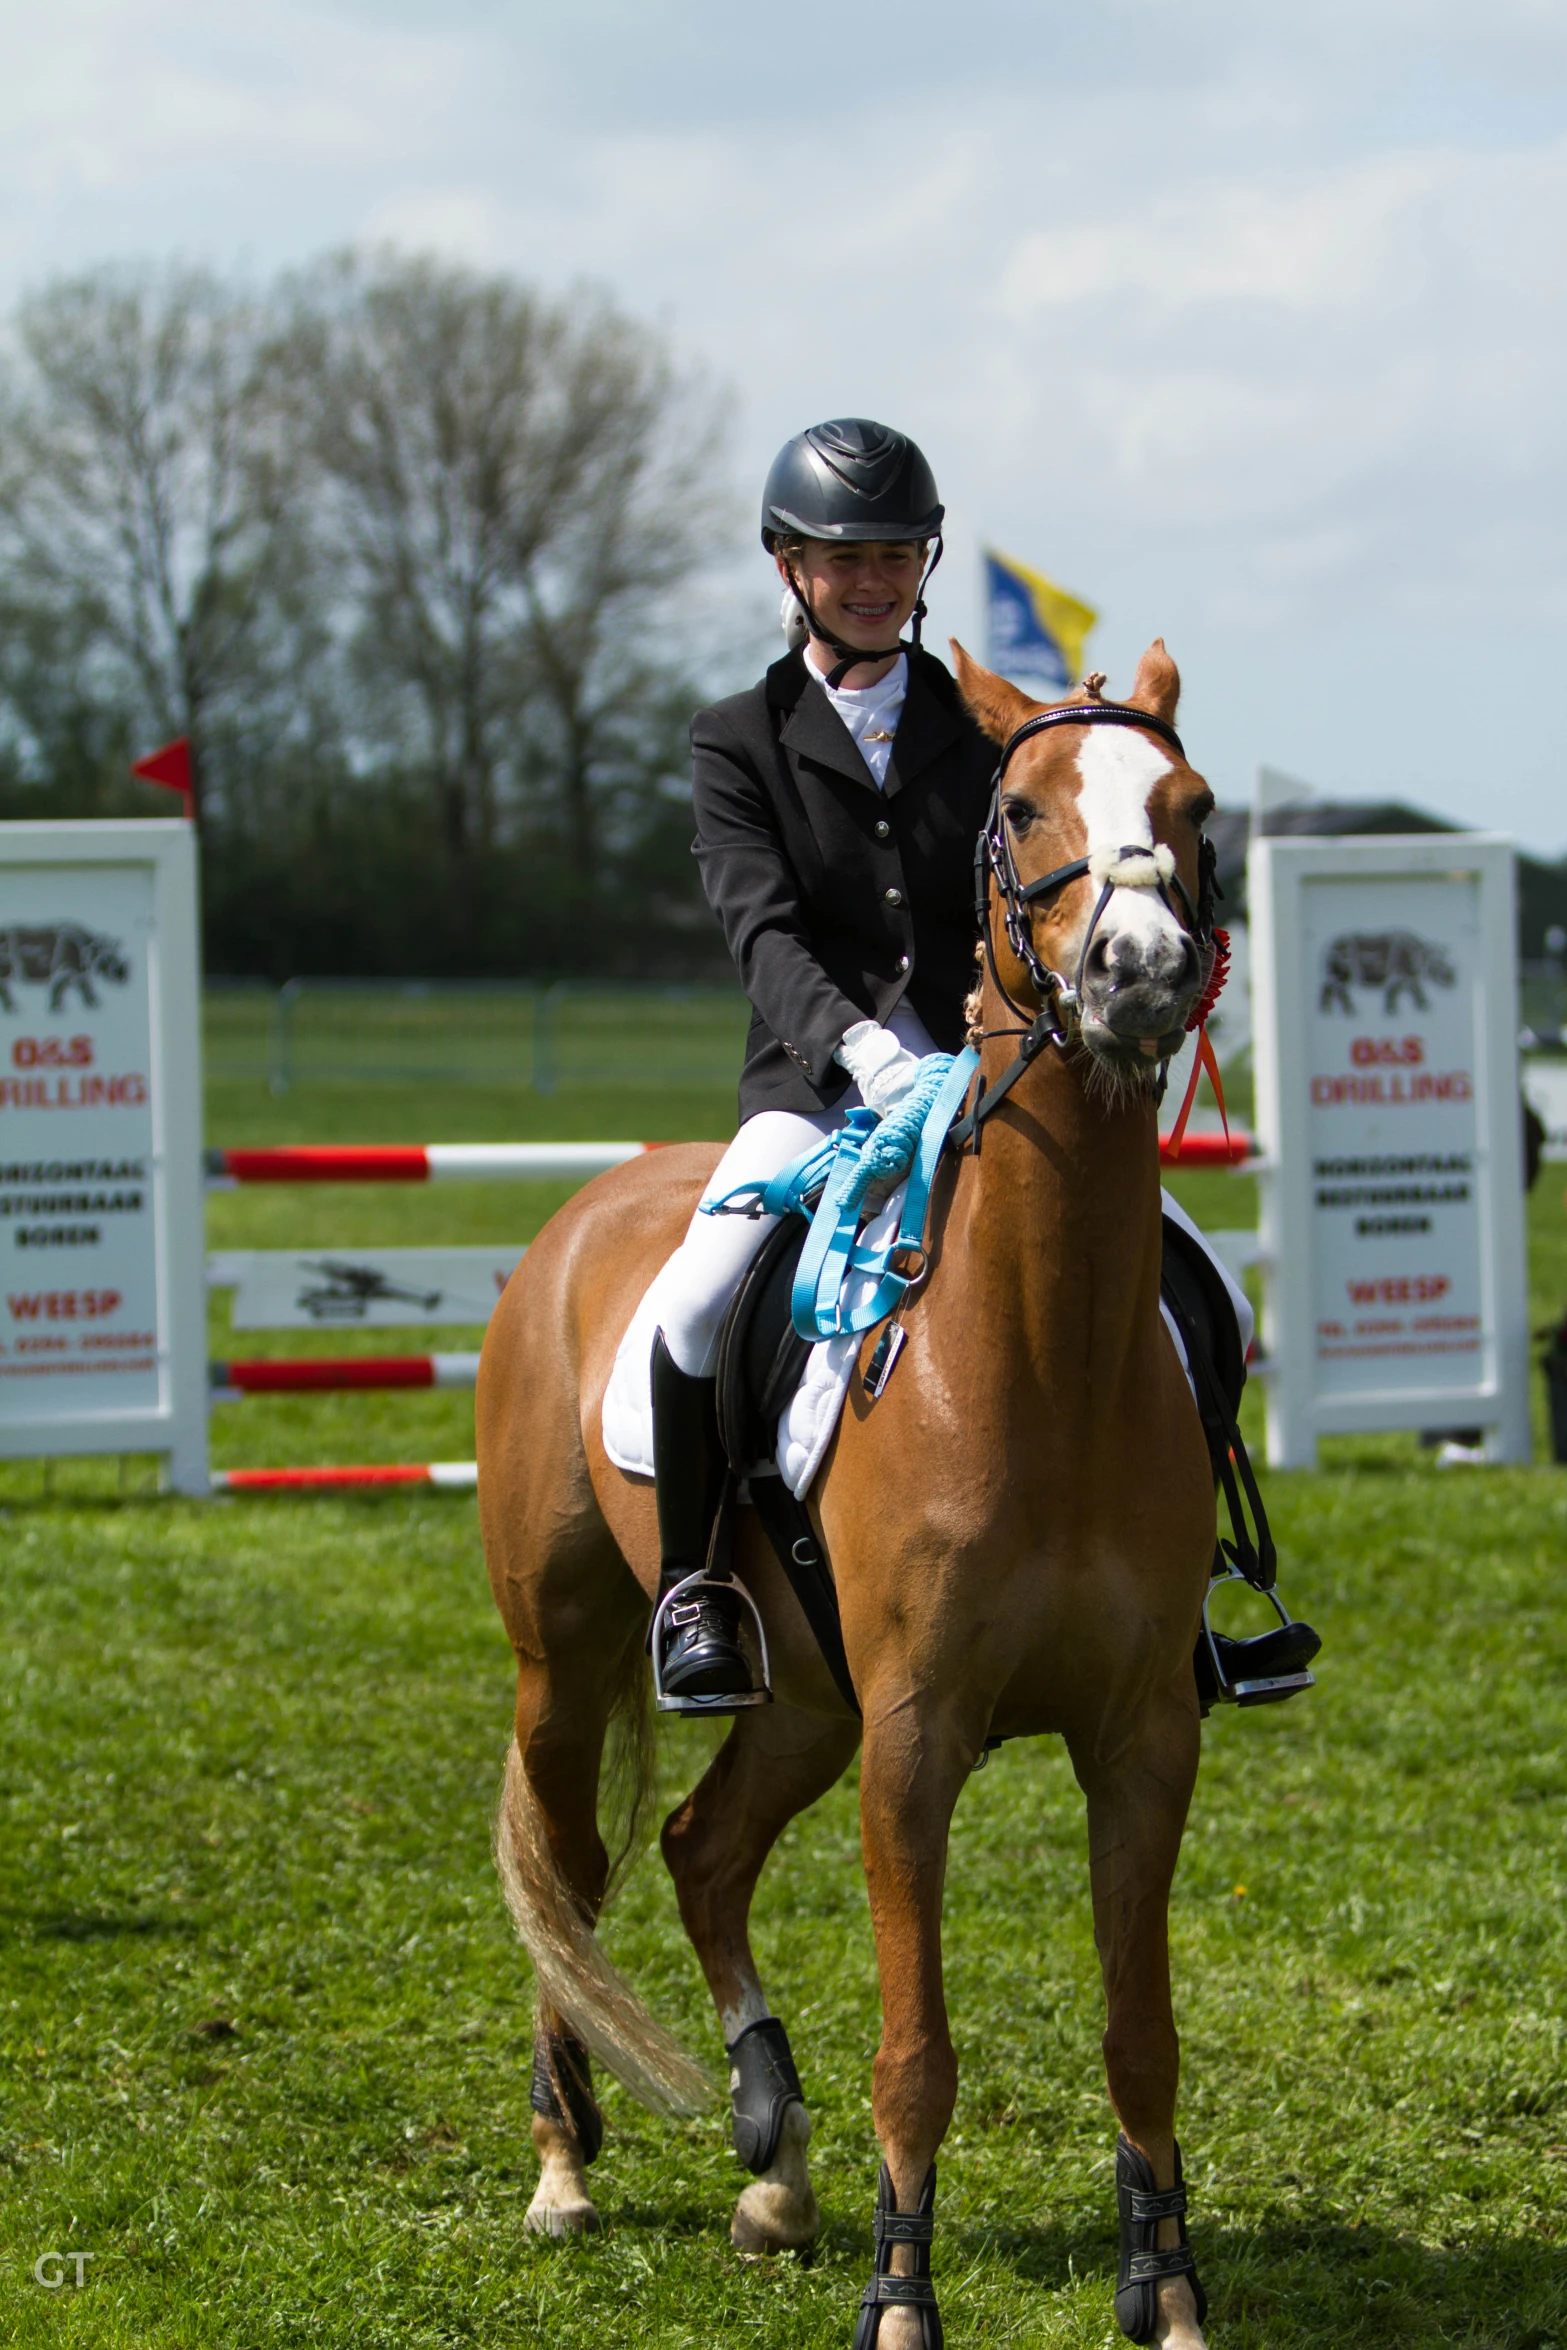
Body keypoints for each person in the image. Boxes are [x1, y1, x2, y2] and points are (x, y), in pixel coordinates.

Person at [638, 416, 1309, 1712]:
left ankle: (1202, 1576)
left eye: (894, 554)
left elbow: (1038, 897)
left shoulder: (988, 729)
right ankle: (694, 1587)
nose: (873, 579)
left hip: (994, 1084)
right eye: (845, 559)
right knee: (699, 1296)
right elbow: (761, 931)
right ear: (790, 567)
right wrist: (861, 1051)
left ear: (923, 561)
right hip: (818, 1089)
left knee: (1196, 1283)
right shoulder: (737, 738)